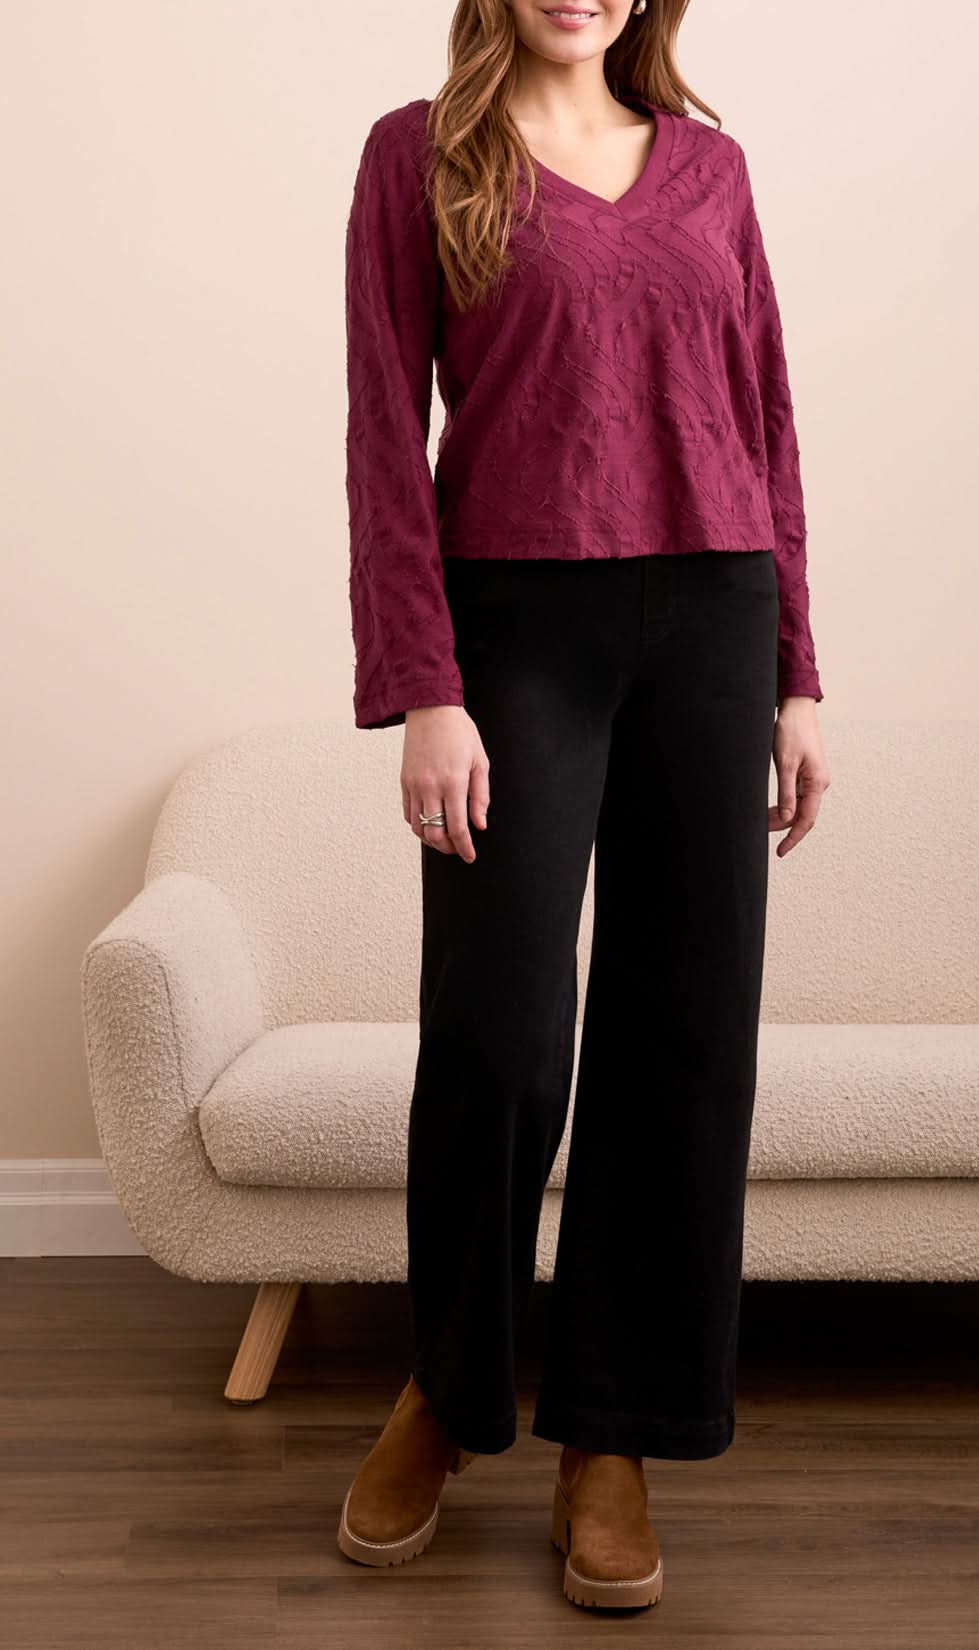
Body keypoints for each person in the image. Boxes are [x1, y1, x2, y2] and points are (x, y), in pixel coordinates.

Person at [337, 0, 830, 1611]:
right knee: (496, 1033)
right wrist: (424, 685)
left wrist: (795, 672)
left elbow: (767, 420)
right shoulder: (419, 159)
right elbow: (383, 444)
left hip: (711, 614)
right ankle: (451, 1387)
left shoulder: (713, 167)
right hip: (511, 634)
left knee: (680, 1037)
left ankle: (611, 1430)